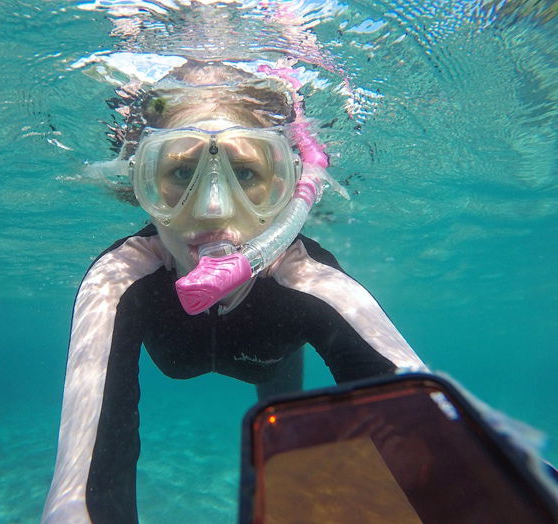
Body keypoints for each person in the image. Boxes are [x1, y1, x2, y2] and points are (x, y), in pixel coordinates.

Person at [42, 60, 427, 523]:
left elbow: (429, 428)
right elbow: (82, 487)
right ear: (141, 180)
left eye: (245, 175)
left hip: (273, 366)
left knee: (279, 429)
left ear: (289, 188)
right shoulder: (120, 278)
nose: (212, 208)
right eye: (181, 174)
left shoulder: (307, 279)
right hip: (236, 355)